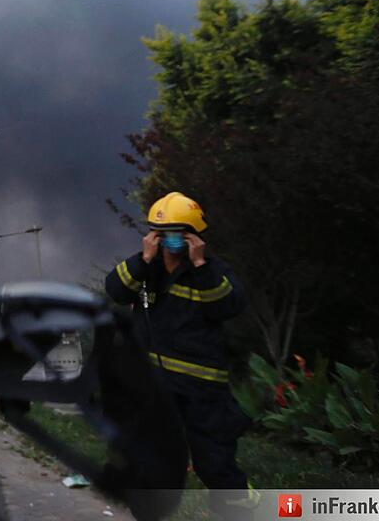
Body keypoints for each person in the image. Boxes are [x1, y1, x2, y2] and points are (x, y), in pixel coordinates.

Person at [104, 191, 257, 516]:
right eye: (162, 235)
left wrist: (200, 265)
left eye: (179, 235)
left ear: (194, 238)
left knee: (215, 464)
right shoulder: (145, 270)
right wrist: (143, 260)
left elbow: (228, 306)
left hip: (203, 393)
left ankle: (239, 510)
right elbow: (115, 290)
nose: (170, 242)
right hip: (155, 389)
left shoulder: (213, 273)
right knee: (151, 463)